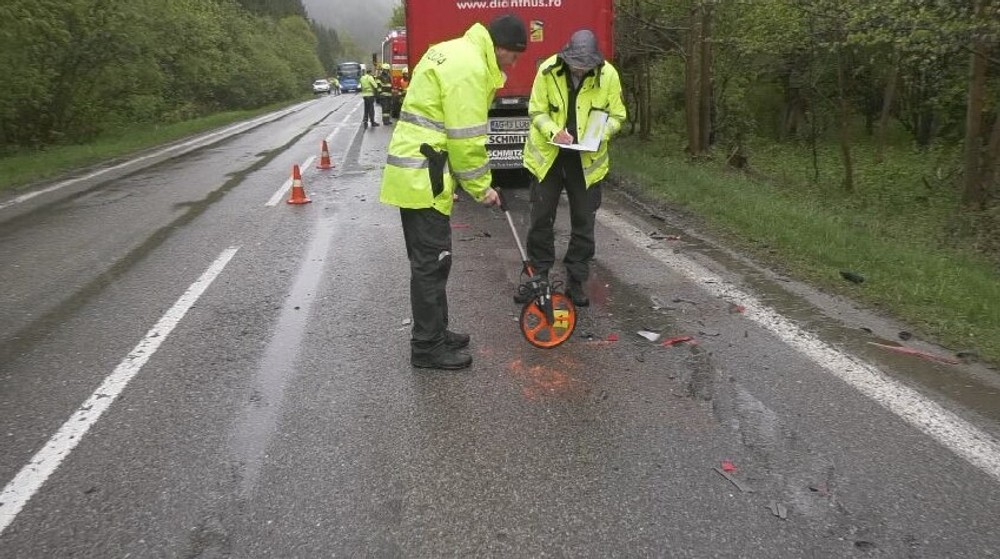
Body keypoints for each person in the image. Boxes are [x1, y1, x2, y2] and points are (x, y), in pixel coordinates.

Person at [379, 14, 528, 370]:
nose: (515, 63)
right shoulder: (470, 67)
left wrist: (453, 181)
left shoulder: (453, 51)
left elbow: (441, 123)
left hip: (421, 172)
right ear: (502, 47)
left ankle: (437, 333)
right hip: (422, 176)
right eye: (516, 56)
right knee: (432, 264)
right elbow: (465, 138)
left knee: (435, 262)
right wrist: (482, 188)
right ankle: (427, 347)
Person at [516, 29, 626, 307]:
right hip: (550, 158)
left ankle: (576, 281)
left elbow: (618, 115)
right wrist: (554, 131)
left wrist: (602, 134)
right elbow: (536, 111)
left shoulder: (608, 75)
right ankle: (537, 279)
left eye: (586, 65)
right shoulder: (547, 70)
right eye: (576, 63)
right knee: (541, 220)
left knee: (583, 222)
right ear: (566, 56)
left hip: (586, 161)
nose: (580, 68)